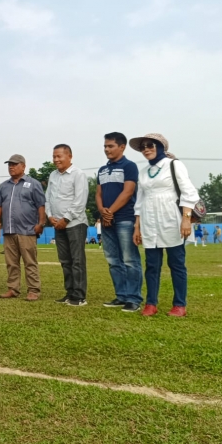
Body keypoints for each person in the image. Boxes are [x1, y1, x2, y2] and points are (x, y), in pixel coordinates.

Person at [130, 133, 200, 317]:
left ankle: (179, 305)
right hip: (149, 221)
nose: (146, 149)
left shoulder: (174, 165)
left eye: (150, 145)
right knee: (152, 264)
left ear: (161, 147)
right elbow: (140, 200)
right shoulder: (144, 172)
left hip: (171, 220)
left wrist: (186, 219)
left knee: (176, 263)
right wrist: (137, 227)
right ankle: (151, 303)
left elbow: (188, 192)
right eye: (143, 146)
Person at [96, 132, 143, 313]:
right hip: (107, 221)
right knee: (113, 260)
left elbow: (128, 192)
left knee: (130, 260)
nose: (107, 149)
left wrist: (110, 212)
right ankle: (121, 295)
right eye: (105, 146)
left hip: (125, 219)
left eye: (110, 146)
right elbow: (98, 194)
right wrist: (103, 212)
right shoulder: (102, 170)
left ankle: (133, 298)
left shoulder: (129, 166)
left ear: (121, 147)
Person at [0, 154, 46, 301]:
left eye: (14, 164)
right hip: (9, 230)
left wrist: (41, 224)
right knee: (11, 262)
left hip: (27, 230)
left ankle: (33, 290)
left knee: (30, 261)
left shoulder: (33, 184)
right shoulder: (4, 186)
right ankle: (13, 288)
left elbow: (41, 205)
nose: (11, 167)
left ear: (23, 165)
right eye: (9, 164)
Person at [46, 144, 90, 307]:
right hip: (57, 224)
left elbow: (80, 201)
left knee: (77, 260)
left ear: (69, 156)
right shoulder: (53, 175)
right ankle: (70, 292)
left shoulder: (78, 174)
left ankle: (79, 296)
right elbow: (48, 198)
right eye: (54, 156)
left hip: (75, 224)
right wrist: (50, 216)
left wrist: (65, 219)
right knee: (65, 260)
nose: (56, 160)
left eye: (59, 156)